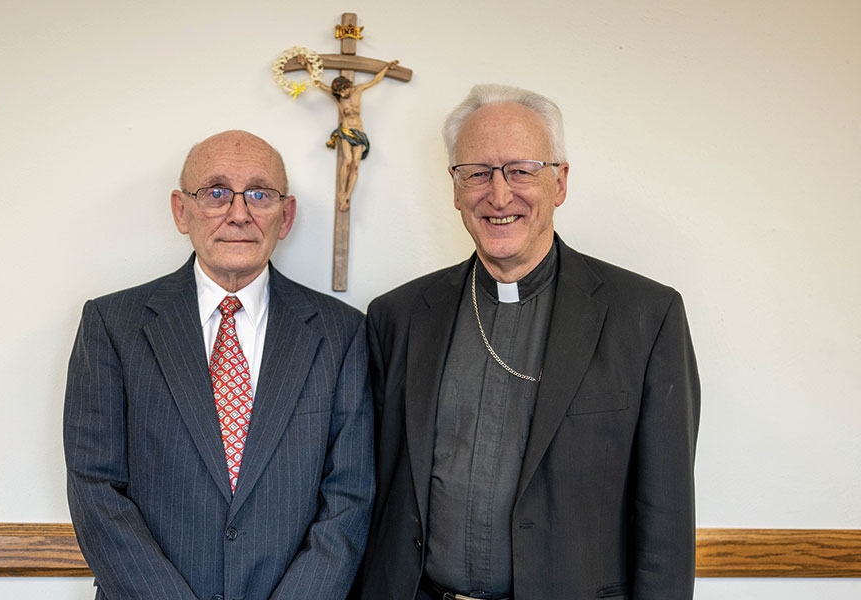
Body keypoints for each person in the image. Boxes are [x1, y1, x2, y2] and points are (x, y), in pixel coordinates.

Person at [354, 85, 700, 599]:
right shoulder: (398, 317)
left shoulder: (645, 317)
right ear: (454, 188)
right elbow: (374, 495)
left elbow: (666, 519)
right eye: (476, 172)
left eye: (521, 170)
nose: (498, 195)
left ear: (559, 181)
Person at [64, 130, 374, 600]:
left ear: (284, 216)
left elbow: (348, 498)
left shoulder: (341, 333)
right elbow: (95, 487)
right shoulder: (113, 324)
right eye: (215, 192)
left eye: (259, 194)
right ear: (180, 210)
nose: (238, 213)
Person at [312, 59, 399, 211]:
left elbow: (376, 80)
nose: (343, 94)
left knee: (356, 166)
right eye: (340, 93)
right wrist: (307, 64)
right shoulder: (338, 97)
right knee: (347, 161)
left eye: (344, 91)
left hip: (359, 133)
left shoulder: (358, 90)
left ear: (348, 86)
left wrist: (387, 68)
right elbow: (318, 83)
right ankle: (341, 191)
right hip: (346, 131)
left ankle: (347, 196)